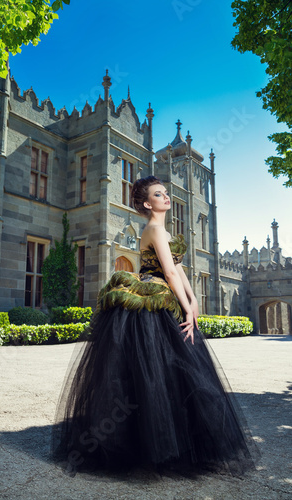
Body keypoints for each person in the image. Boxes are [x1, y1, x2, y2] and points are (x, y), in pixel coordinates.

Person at [51, 176, 258, 476]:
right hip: (152, 300)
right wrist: (187, 306)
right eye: (158, 194)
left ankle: (174, 440)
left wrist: (193, 302)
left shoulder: (165, 231)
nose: (165, 197)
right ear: (148, 203)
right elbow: (170, 273)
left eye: (165, 192)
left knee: (172, 373)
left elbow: (179, 269)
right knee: (152, 373)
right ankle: (145, 444)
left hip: (166, 298)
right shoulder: (152, 228)